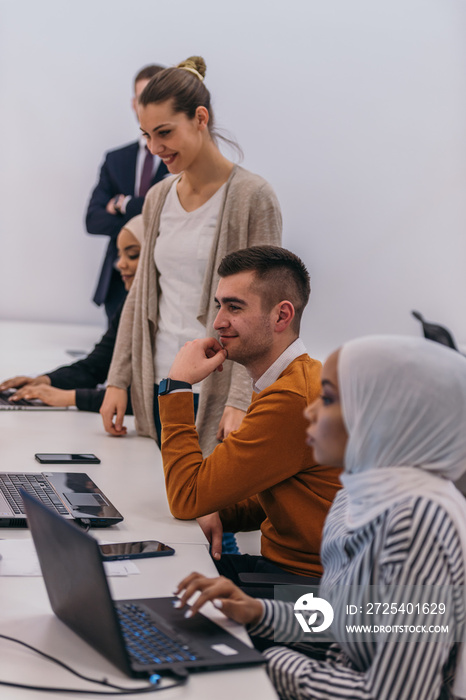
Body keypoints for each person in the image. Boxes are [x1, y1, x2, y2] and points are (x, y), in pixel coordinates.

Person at [174, 335, 466, 700]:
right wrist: (260, 613)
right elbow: (349, 618)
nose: (310, 411)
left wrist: (267, 660)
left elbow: (394, 695)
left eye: (327, 400)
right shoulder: (358, 495)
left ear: (380, 417)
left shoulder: (418, 523)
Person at [100, 56, 282, 458]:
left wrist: (240, 399)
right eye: (146, 135)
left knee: (201, 514)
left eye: (164, 132)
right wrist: (119, 378)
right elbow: (143, 295)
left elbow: (265, 311)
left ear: (200, 118)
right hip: (162, 386)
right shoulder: (159, 196)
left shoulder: (253, 197)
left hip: (217, 394)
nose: (154, 148)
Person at [158, 246, 341, 582]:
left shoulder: (291, 398)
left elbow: (186, 497)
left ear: (281, 316)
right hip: (296, 574)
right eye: (219, 305)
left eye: (234, 307)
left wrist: (178, 386)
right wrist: (221, 510)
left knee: (161, 582)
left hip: (307, 590)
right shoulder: (296, 379)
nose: (217, 322)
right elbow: (285, 493)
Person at [0, 216, 144, 411]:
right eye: (119, 255)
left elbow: (151, 398)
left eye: (133, 255)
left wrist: (71, 398)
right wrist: (44, 381)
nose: (120, 264)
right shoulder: (130, 306)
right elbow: (96, 366)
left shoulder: (174, 317)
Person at [86, 64, 168, 322]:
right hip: (116, 284)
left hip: (165, 278)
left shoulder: (181, 159)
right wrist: (145, 214)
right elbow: (93, 220)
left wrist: (124, 204)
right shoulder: (115, 159)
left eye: (156, 95)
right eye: (143, 97)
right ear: (134, 103)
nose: (148, 104)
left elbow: (172, 212)